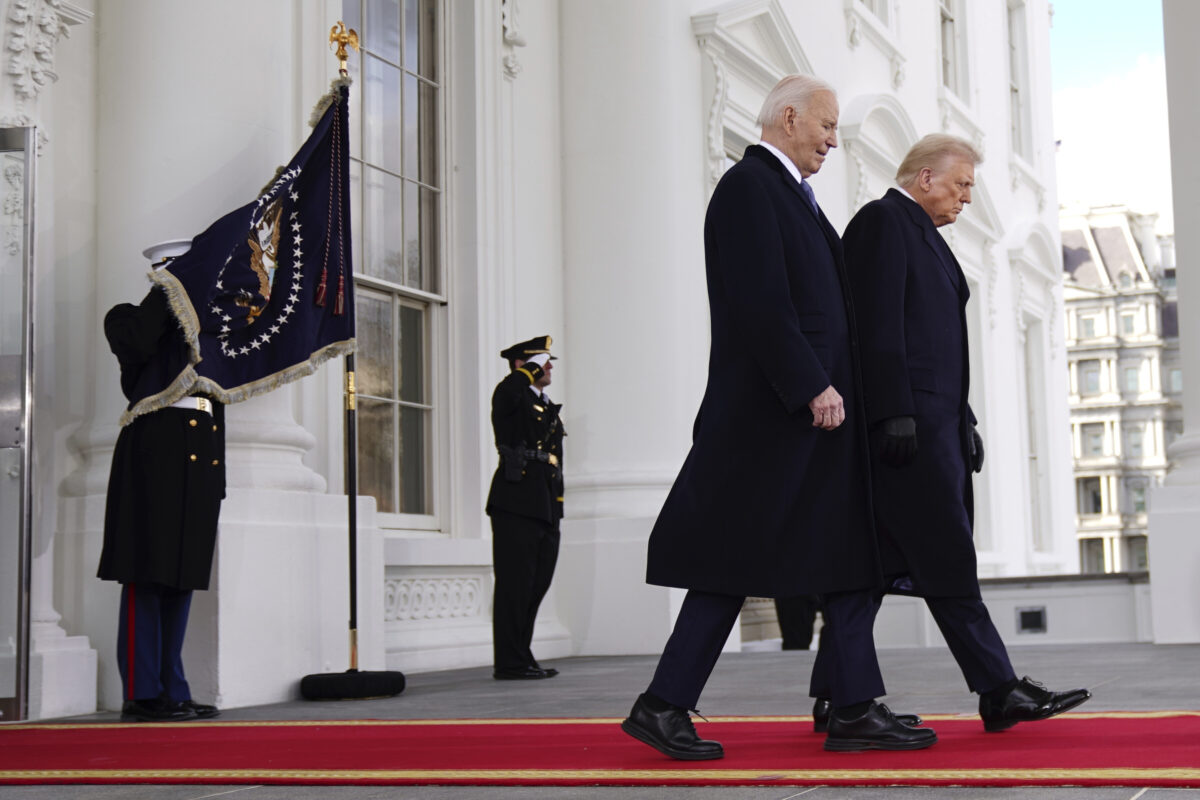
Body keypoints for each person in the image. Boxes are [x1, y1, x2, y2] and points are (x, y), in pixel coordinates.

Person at [620, 75, 936, 759]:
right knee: (732, 565)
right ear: (787, 117)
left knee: (850, 557)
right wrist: (810, 386)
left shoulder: (794, 197)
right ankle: (664, 703)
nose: (831, 139)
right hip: (775, 421)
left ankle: (853, 706)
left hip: (816, 424)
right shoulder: (748, 188)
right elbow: (761, 304)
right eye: (824, 125)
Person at [812, 133, 1091, 734]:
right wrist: (895, 414)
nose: (967, 197)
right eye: (961, 183)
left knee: (870, 571)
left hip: (931, 429)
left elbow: (936, 348)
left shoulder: (924, 236)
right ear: (924, 178)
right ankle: (998, 689)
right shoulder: (882, 222)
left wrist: (962, 420)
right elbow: (877, 326)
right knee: (946, 559)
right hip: (904, 437)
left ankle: (839, 695)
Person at [98, 241, 223, 722]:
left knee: (181, 579)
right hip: (154, 458)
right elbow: (141, 344)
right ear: (161, 276)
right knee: (147, 576)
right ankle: (143, 692)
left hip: (197, 467)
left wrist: (219, 480)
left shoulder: (204, 333)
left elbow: (217, 401)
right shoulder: (127, 317)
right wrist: (171, 291)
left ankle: (174, 687)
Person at [486, 335, 565, 681]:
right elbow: (507, 394)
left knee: (536, 583)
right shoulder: (511, 396)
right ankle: (509, 661)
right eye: (541, 361)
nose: (548, 367)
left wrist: (557, 508)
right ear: (523, 365)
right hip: (516, 501)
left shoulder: (545, 406)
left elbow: (555, 461)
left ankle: (522, 654)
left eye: (547, 362)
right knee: (515, 584)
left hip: (544, 504)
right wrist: (527, 372)